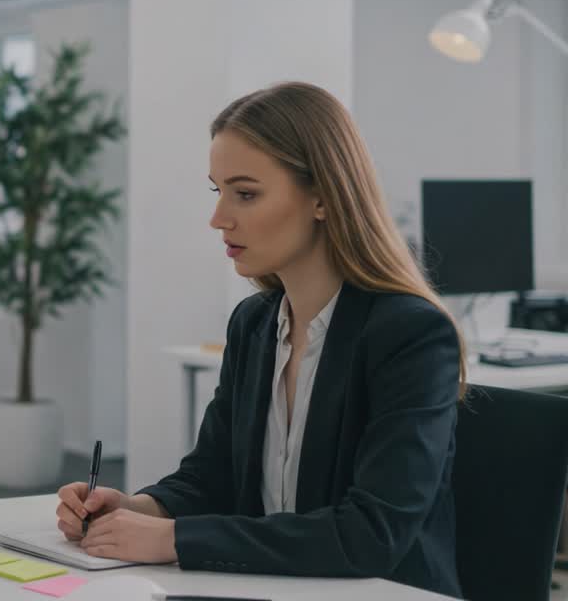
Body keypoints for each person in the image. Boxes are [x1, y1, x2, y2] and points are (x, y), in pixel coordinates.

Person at [55, 82, 465, 598]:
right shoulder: (254, 324)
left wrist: (171, 539)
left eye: (245, 194)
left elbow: (371, 535)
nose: (219, 218)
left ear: (322, 197)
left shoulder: (410, 334)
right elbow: (212, 476)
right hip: (273, 587)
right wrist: (139, 509)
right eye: (218, 191)